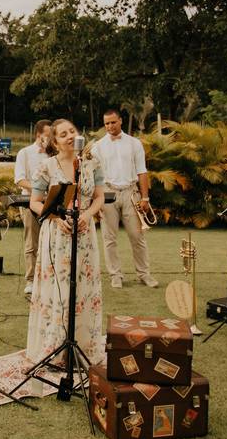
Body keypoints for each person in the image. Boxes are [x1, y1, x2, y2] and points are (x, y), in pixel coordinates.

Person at [26, 118, 105, 366]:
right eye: (63, 134)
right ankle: (55, 348)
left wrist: (88, 215)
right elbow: (35, 202)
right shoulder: (46, 167)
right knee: (58, 289)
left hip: (85, 233)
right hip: (57, 233)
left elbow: (100, 197)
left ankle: (81, 346)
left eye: (73, 130)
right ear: (55, 142)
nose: (70, 136)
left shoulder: (91, 163)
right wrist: (57, 216)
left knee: (83, 288)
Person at [92, 109, 158, 288]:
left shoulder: (134, 143)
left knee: (137, 236)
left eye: (113, 122)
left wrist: (145, 198)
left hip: (131, 192)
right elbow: (95, 176)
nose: (110, 126)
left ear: (120, 121)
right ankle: (115, 275)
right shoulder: (98, 146)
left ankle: (144, 274)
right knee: (109, 238)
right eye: (106, 123)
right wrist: (96, 200)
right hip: (107, 193)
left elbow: (142, 171)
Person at [14, 119, 53, 296]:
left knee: (52, 241)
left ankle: (50, 277)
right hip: (29, 202)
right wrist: (39, 189)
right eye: (48, 135)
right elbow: (20, 179)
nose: (51, 138)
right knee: (32, 242)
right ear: (38, 135)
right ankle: (31, 280)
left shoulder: (54, 154)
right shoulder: (25, 153)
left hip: (51, 202)